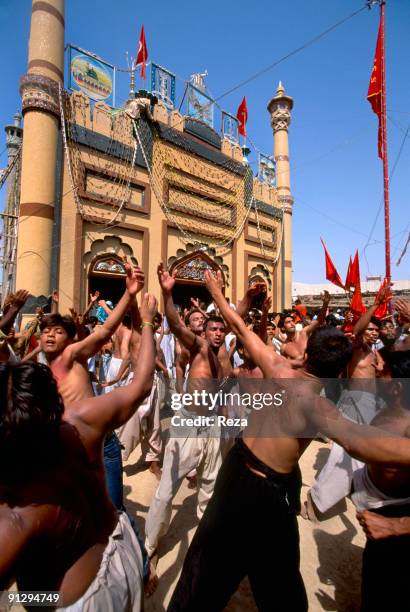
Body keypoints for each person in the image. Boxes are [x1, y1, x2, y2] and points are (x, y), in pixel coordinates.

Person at [168, 271, 410, 612]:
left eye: (301, 337)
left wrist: (216, 292)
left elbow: (238, 327)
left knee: (214, 565)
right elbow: (360, 442)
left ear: (307, 353)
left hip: (251, 481)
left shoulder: (280, 371)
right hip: (259, 484)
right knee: (267, 578)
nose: (293, 338)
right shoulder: (316, 401)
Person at [0, 293, 157, 610]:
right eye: (46, 330)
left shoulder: (15, 516)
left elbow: (104, 334)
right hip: (114, 554)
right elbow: (141, 385)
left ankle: (143, 564)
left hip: (84, 601)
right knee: (116, 508)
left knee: (117, 503)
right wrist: (149, 320)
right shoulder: (78, 421)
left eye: (58, 330)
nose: (49, 335)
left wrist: (21, 598)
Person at [144, 263, 228, 563]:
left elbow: (239, 313)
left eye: (221, 329)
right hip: (188, 425)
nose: (217, 333)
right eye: (212, 329)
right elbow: (176, 324)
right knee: (166, 492)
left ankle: (207, 549)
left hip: (214, 428)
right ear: (204, 332)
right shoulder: (199, 348)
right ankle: (150, 549)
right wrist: (167, 294)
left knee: (209, 490)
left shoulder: (226, 354)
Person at [352, 350, 410, 611]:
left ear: (397, 387)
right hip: (378, 519)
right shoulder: (387, 408)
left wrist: (397, 526)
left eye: (382, 371)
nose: (375, 374)